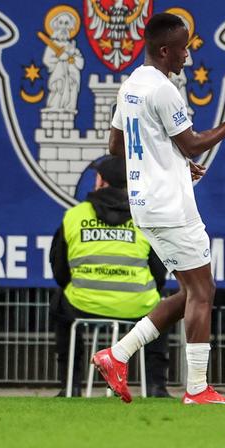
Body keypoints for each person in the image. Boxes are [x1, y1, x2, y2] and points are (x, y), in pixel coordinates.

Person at [93, 12, 225, 405]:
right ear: (165, 50)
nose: (188, 54)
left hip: (146, 204)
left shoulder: (132, 84)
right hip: (171, 205)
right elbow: (193, 142)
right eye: (184, 47)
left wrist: (172, 161)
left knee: (192, 290)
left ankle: (117, 355)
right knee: (203, 292)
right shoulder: (164, 90)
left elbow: (117, 147)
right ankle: (198, 389)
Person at [49, 155, 171, 398]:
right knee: (163, 307)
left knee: (58, 302)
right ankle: (156, 386)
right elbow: (160, 270)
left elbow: (59, 269)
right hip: (137, 306)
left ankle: (71, 385)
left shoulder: (74, 215)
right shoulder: (145, 216)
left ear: (101, 182)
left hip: (83, 305)